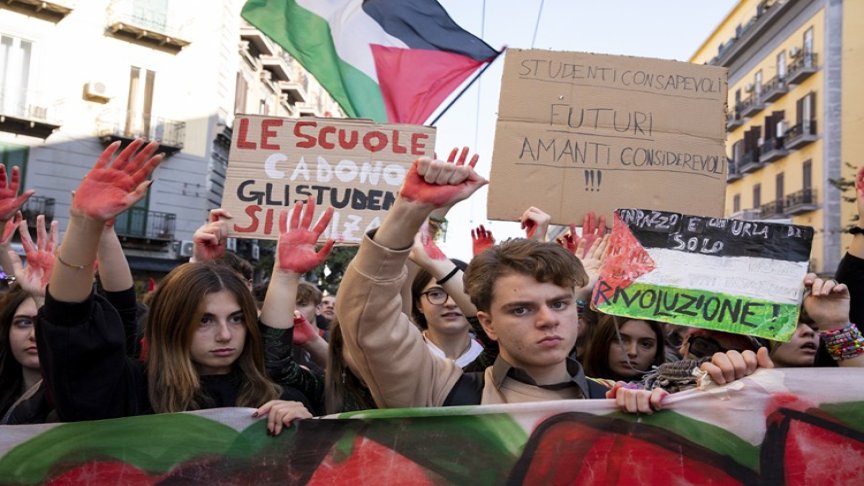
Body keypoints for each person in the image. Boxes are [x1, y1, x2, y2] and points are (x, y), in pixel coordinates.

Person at [338, 149, 767, 412]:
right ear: (487, 324)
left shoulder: (621, 401)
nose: (548, 320)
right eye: (521, 309)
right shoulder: (439, 392)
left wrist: (736, 386)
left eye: (559, 303)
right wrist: (409, 210)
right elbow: (368, 323)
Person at [37, 140, 311, 435]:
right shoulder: (131, 391)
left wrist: (306, 431)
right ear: (171, 322)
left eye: (236, 318)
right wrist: (85, 225)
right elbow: (70, 325)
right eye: (204, 320)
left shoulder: (278, 399)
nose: (225, 335)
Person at [582, 314, 665, 383]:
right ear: (602, 342)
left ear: (657, 353)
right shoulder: (577, 389)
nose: (633, 352)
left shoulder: (668, 394)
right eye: (621, 340)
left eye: (645, 344)